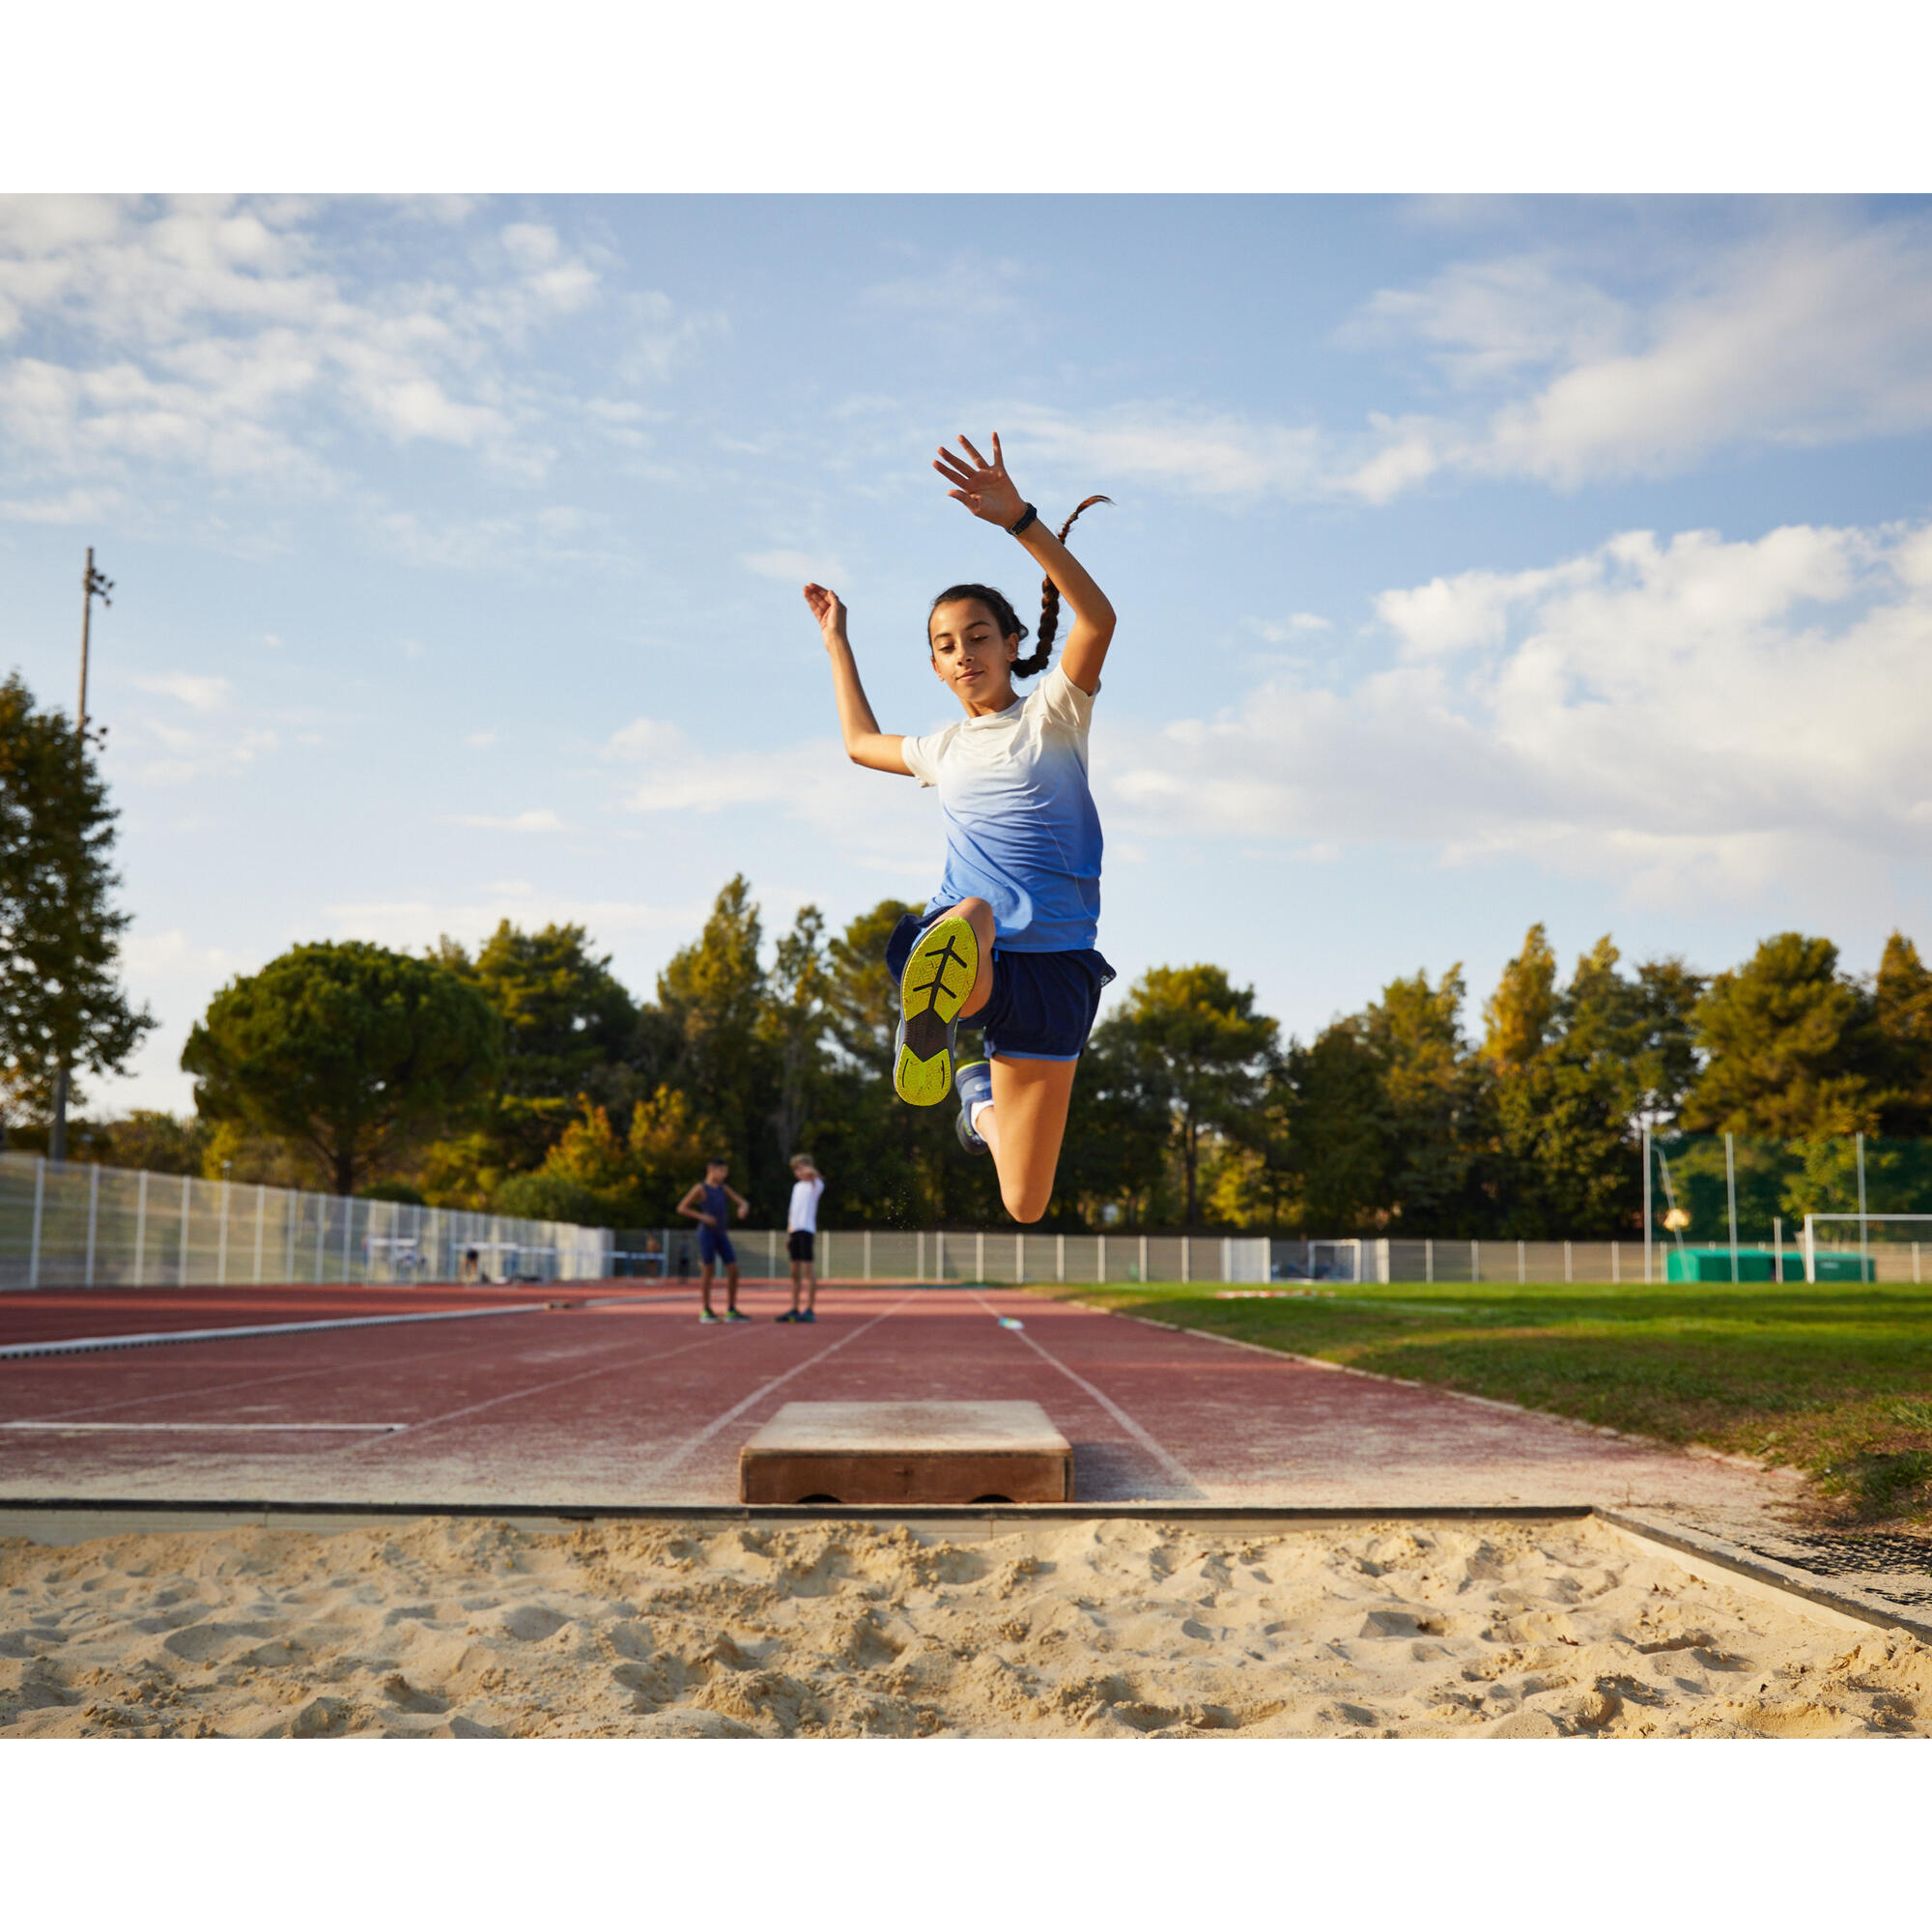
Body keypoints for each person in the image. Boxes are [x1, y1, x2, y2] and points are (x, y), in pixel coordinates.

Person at [802, 431, 1115, 1225]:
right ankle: (933, 1016)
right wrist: (838, 642)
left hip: (1057, 967)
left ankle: (974, 1097)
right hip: (973, 944)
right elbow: (857, 743)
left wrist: (1022, 522)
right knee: (970, 913)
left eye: (979, 636)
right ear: (936, 667)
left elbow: (1097, 618)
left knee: (1024, 1199)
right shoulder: (941, 749)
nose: (964, 652)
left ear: (1013, 646)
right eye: (946, 645)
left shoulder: (1054, 715)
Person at [675, 1157, 751, 1323]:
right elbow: (681, 1207)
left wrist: (742, 1208)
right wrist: (702, 1216)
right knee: (708, 1269)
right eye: (722, 1171)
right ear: (711, 1170)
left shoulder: (724, 1189)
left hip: (721, 1234)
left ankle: (731, 1309)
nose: (724, 1175)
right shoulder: (700, 1188)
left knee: (733, 1269)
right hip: (706, 1233)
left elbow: (743, 1201)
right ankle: (706, 1309)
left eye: (726, 1172)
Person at [777, 1153, 826, 1323]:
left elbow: (815, 1175)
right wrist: (789, 1233)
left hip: (807, 1230)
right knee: (794, 1272)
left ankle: (810, 1308)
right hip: (795, 1231)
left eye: (799, 1168)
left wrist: (808, 1169)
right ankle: (794, 1307)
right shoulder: (797, 1187)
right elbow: (793, 1211)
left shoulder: (816, 1185)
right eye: (795, 1170)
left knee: (808, 1270)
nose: (797, 1172)